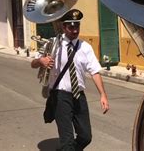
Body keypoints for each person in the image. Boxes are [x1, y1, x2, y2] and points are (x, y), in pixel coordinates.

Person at [31, 9, 110, 150]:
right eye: (71, 27)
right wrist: (41, 61)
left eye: (77, 27)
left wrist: (102, 94)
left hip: (79, 96)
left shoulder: (85, 47)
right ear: (63, 27)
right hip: (60, 97)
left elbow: (95, 72)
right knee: (67, 141)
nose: (75, 31)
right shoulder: (53, 43)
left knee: (86, 137)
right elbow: (33, 63)